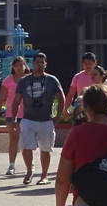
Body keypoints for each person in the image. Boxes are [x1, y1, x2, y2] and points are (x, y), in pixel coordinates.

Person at [14, 51, 68, 186]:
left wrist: (58, 116)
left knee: (45, 149)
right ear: (33, 64)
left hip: (46, 120)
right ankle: (29, 170)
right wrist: (14, 119)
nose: (39, 65)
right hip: (28, 119)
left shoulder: (52, 80)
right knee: (26, 146)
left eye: (42, 62)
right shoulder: (24, 81)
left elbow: (61, 98)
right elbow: (16, 101)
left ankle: (44, 176)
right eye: (37, 62)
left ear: (46, 64)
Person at [0, 56, 29, 176]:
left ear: (25, 66)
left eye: (21, 65)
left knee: (26, 140)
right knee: (13, 139)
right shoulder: (8, 80)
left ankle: (29, 166)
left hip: (27, 114)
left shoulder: (29, 79)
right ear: (12, 67)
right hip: (11, 114)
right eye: (16, 65)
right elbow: (1, 97)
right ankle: (11, 165)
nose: (18, 68)